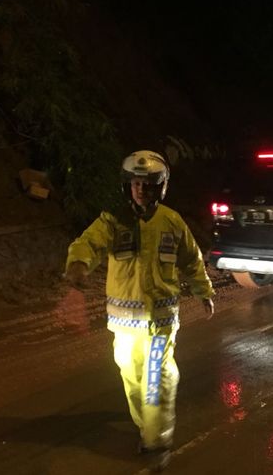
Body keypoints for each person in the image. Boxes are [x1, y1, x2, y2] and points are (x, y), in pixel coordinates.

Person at [64, 149, 215, 471]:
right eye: (135, 183)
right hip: (123, 323)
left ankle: (156, 440)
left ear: (161, 186)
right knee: (131, 376)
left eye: (149, 184)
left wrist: (204, 291)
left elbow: (192, 259)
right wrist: (78, 263)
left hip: (160, 322)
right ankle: (146, 424)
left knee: (155, 378)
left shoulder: (172, 222)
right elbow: (87, 243)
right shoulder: (112, 220)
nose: (141, 189)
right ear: (126, 185)